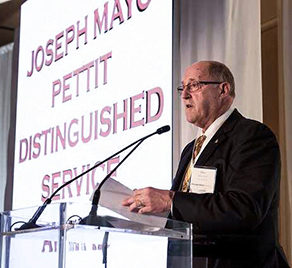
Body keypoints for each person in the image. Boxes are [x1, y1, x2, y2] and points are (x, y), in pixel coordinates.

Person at [122, 61, 289, 267]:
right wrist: (153, 214)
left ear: (223, 90)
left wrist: (169, 201)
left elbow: (244, 209)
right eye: (183, 88)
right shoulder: (191, 148)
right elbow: (193, 210)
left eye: (194, 85)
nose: (184, 95)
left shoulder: (252, 136)